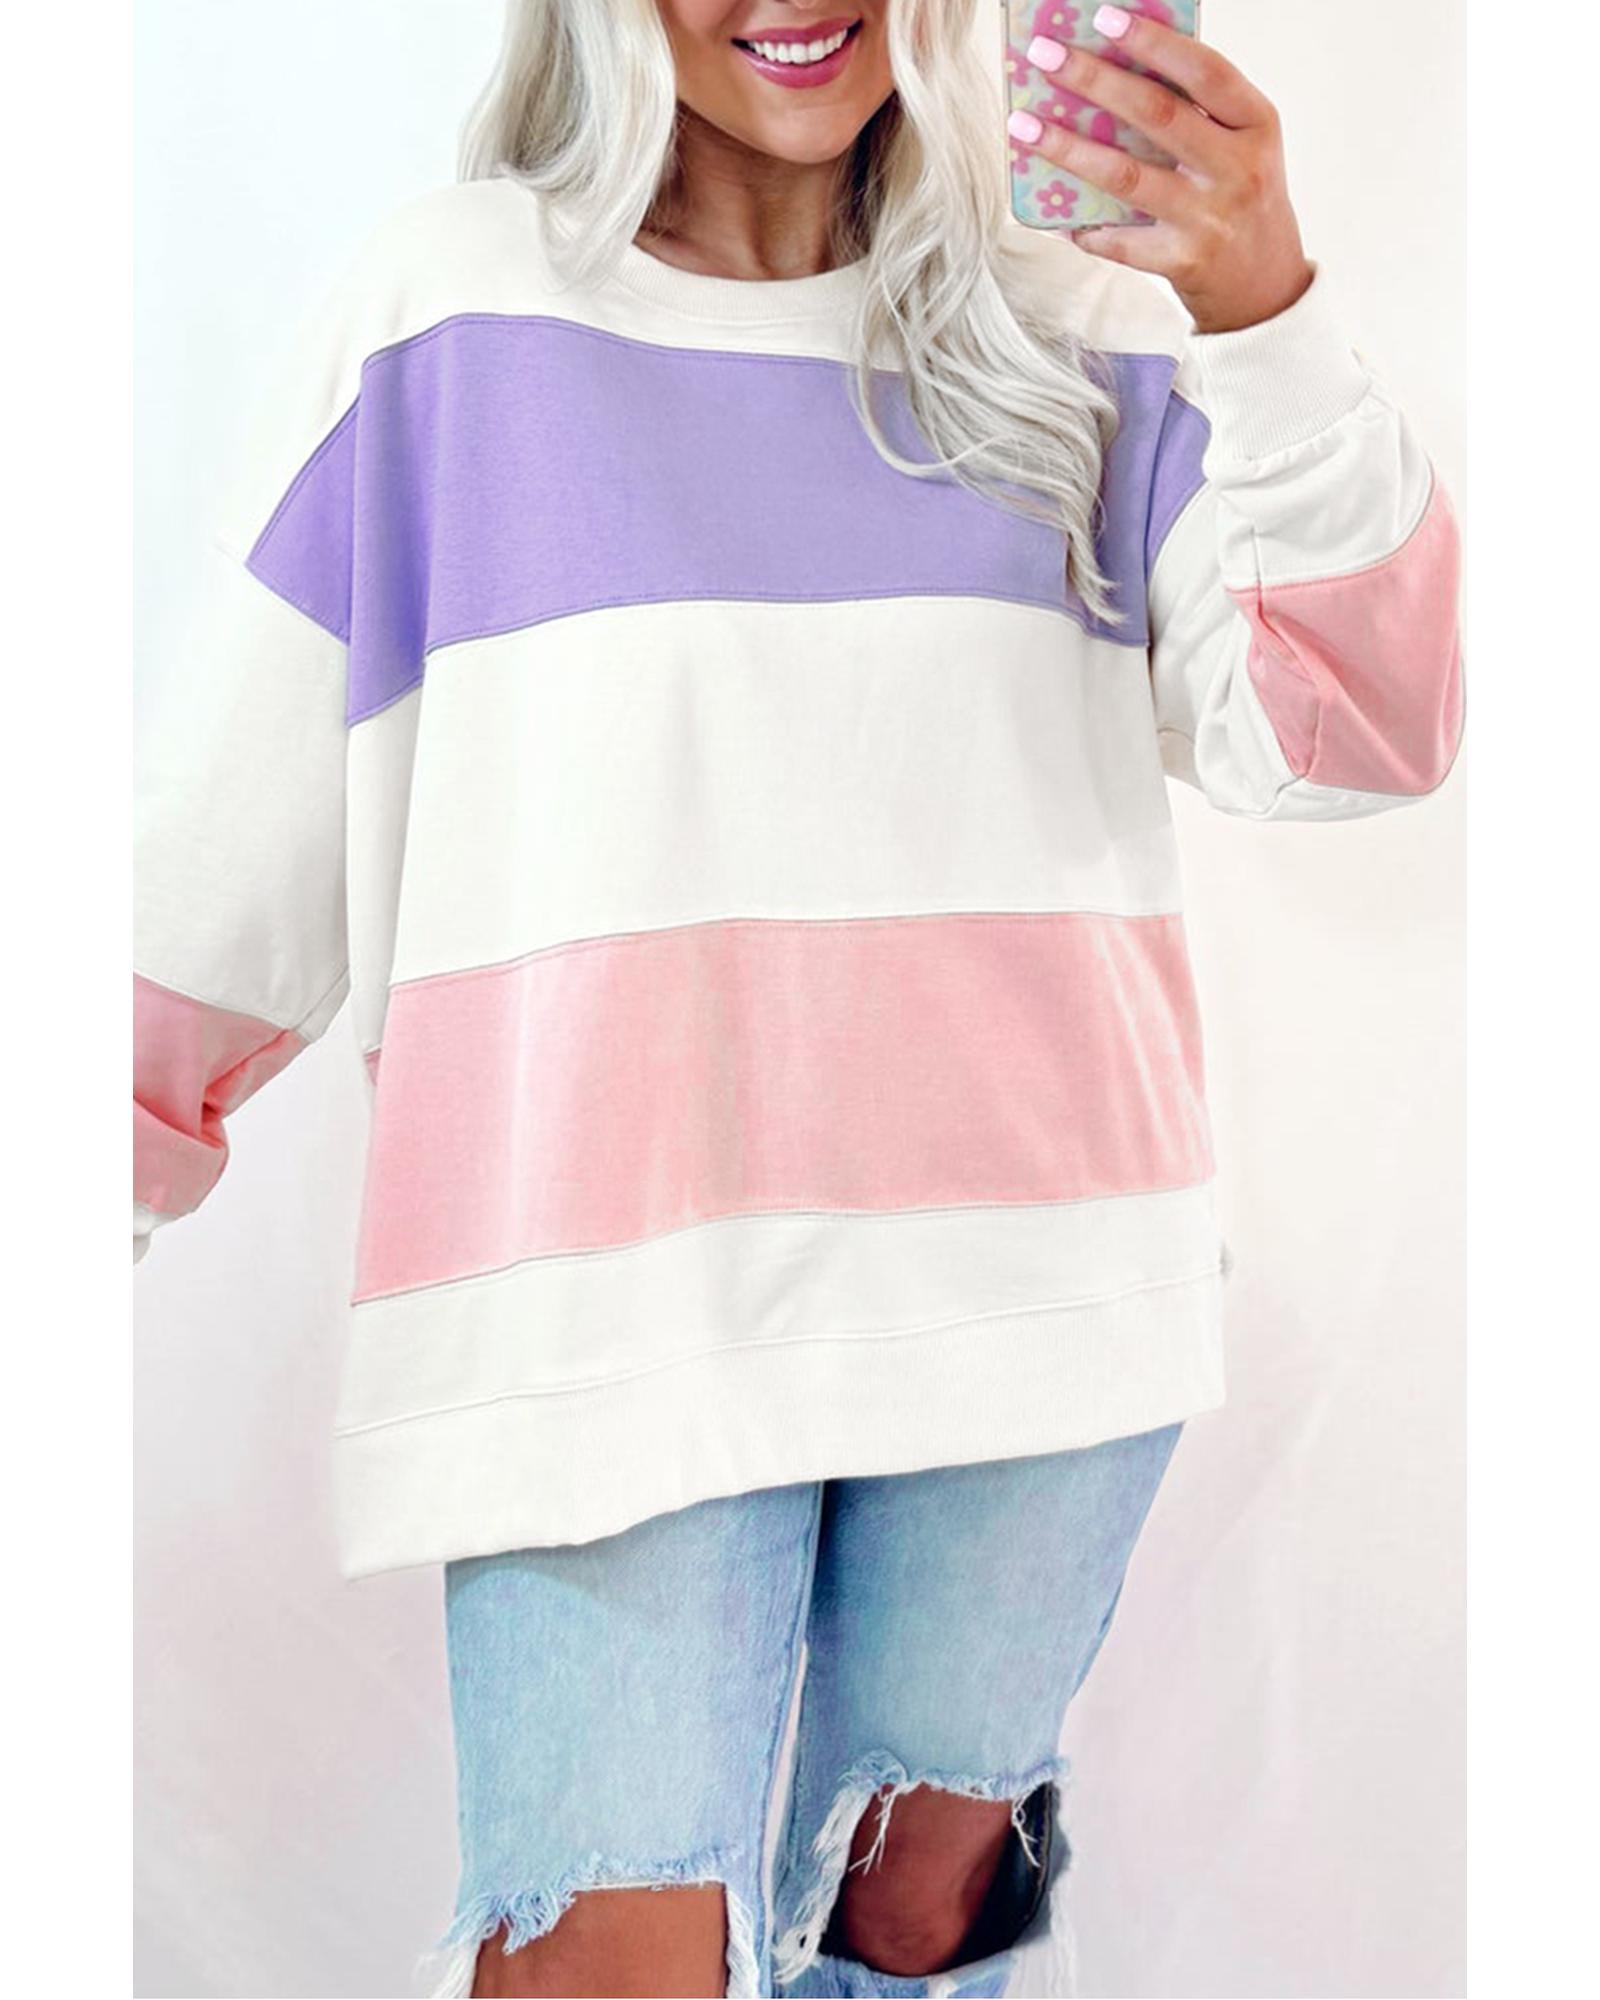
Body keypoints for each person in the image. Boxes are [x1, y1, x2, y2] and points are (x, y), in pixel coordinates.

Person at [131, 3, 1463, 1995]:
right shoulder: (450, 318)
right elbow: (223, 864)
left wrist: (1261, 312)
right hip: (603, 1320)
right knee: (602, 1960)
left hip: (1037, 1306)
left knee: (913, 1929)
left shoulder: (1081, 326)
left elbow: (1361, 735)